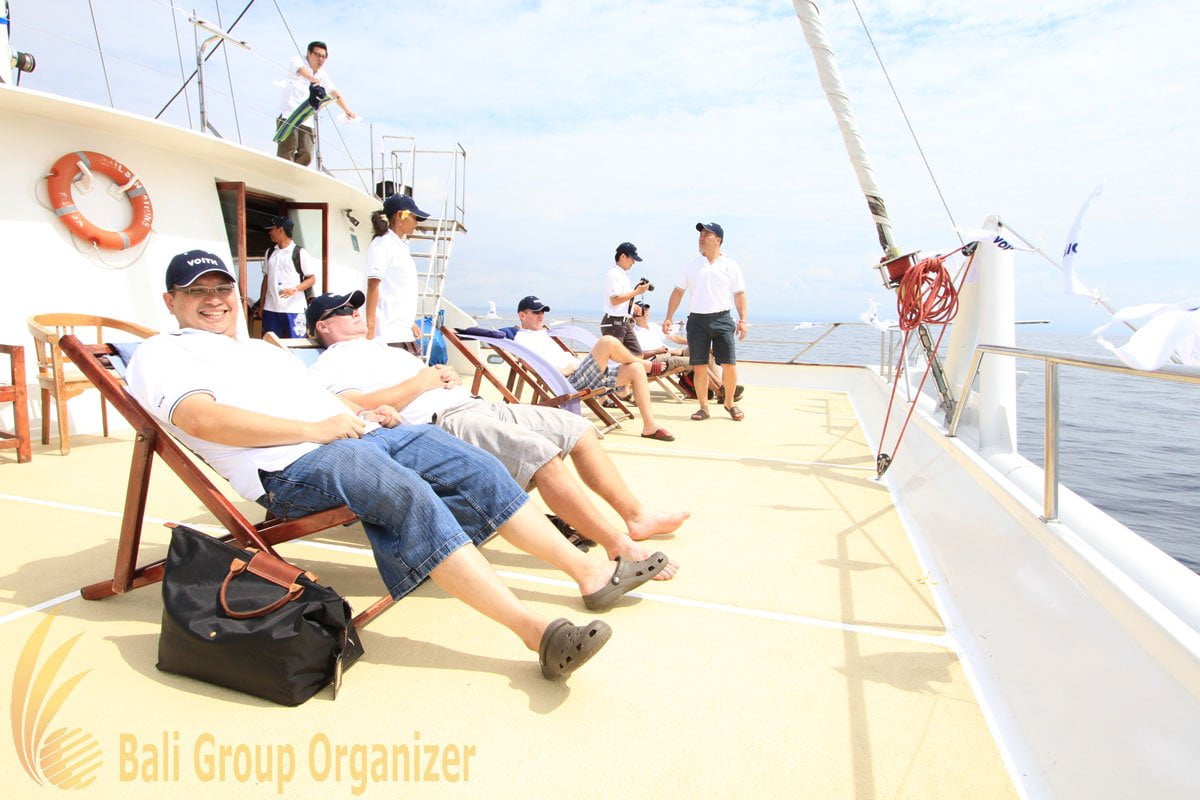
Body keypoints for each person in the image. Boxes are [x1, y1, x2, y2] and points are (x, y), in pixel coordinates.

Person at [127, 250, 671, 680]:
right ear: (171, 301)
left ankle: (590, 574)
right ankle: (535, 632)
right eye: (196, 291)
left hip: (357, 435)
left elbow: (320, 401)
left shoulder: (261, 350)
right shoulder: (163, 352)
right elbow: (200, 419)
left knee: (476, 467)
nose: (214, 300)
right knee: (406, 491)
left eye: (221, 288)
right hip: (291, 466)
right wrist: (315, 430)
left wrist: (364, 413)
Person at [305, 291, 688, 574]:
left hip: (473, 404)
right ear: (323, 326)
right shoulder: (330, 364)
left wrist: (445, 376)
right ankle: (617, 545)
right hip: (442, 423)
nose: (355, 313)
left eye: (355, 307)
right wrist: (422, 383)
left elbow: (430, 378)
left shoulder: (384, 349)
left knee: (578, 428)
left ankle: (637, 516)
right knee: (538, 452)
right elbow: (354, 405)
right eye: (344, 311)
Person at [514, 296, 675, 442]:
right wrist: (562, 369)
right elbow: (529, 364)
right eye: (536, 312)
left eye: (542, 311)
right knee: (607, 341)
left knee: (636, 369)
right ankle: (648, 365)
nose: (541, 315)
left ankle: (649, 426)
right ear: (522, 315)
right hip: (569, 381)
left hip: (582, 372)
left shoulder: (542, 333)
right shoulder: (522, 339)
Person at [663, 222, 748, 421]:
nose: (701, 237)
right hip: (697, 321)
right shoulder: (690, 266)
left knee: (729, 365)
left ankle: (729, 403)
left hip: (722, 319)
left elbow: (739, 293)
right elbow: (678, 292)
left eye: (706, 234)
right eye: (700, 234)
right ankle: (703, 408)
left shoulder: (730, 265)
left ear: (718, 239)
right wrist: (669, 317)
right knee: (700, 366)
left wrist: (743, 320)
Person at [634, 302, 742, 403]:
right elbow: (636, 355)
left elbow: (673, 338)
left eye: (646, 309)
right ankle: (721, 392)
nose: (645, 312)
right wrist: (657, 351)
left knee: (705, 353)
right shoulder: (633, 331)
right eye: (642, 310)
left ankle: (723, 388)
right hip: (654, 360)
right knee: (697, 362)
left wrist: (695, 343)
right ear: (634, 314)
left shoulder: (653, 327)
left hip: (669, 353)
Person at [275, 41, 357, 166]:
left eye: (324, 57)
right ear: (309, 54)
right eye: (317, 55)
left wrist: (347, 110)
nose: (320, 59)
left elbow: (334, 92)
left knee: (307, 155)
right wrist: (312, 79)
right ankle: (282, 172)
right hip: (290, 115)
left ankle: (295, 174)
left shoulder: (323, 74)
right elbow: (301, 70)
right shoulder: (297, 61)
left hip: (306, 119)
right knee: (288, 149)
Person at [365, 193, 427, 354]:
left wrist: (409, 322)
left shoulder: (399, 246)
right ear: (400, 216)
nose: (416, 223)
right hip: (387, 335)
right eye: (414, 217)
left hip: (402, 332)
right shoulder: (382, 244)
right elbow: (373, 286)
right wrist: (370, 329)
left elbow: (397, 289)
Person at [256, 215, 315, 339]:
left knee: (296, 344)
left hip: (293, 309)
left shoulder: (300, 253)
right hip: (271, 308)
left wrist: (295, 289)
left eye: (271, 229)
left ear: (281, 230)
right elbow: (266, 278)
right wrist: (262, 304)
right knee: (270, 343)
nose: (269, 233)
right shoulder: (270, 252)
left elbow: (311, 279)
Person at [600, 242, 649, 355]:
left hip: (624, 322)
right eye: (632, 258)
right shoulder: (613, 274)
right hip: (614, 322)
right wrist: (637, 292)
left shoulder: (623, 275)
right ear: (623, 256)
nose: (634, 262)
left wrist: (632, 306)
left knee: (637, 355)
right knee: (617, 357)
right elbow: (615, 300)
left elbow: (620, 299)